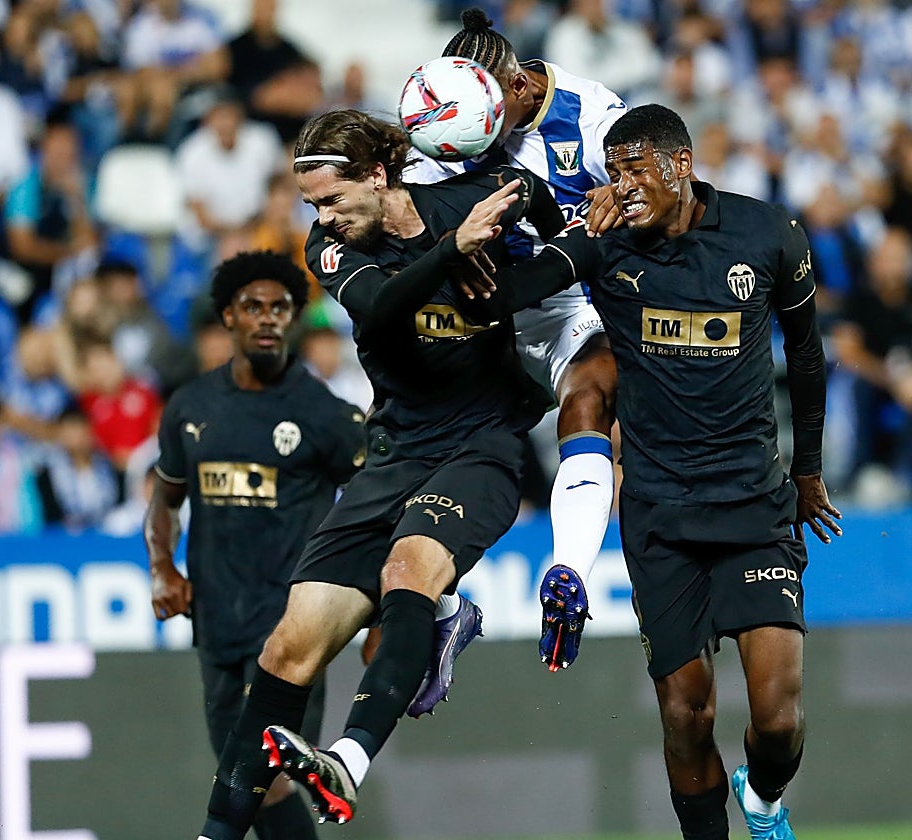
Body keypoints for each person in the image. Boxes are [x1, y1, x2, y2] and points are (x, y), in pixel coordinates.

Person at [446, 104, 842, 840]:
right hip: (659, 515)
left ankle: (762, 801)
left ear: (681, 164)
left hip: (755, 504)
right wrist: (570, 235)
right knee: (687, 714)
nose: (621, 185)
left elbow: (808, 356)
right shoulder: (604, 245)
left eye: (634, 169)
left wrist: (810, 471)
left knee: (778, 720)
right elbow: (503, 300)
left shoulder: (767, 234)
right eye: (613, 170)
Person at [194, 109, 561, 838]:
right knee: (286, 649)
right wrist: (455, 251)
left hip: (481, 448)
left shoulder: (459, 200)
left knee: (407, 571)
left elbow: (525, 188)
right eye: (312, 206)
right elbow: (383, 302)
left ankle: (349, 757)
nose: (322, 219)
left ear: (380, 174)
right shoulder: (330, 251)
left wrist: (549, 234)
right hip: (393, 453)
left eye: (333, 200)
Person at [408, 8, 628, 670]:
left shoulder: (591, 113)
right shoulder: (448, 124)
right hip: (483, 313)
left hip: (571, 304)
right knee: (406, 445)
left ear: (517, 88)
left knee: (590, 395)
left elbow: (657, 189)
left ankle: (569, 573)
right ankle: (445, 615)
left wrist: (625, 193)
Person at [147, 249, 367, 840]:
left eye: (280, 307)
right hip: (216, 622)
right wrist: (163, 567)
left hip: (292, 632)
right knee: (244, 784)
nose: (267, 318)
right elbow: (163, 500)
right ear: (228, 317)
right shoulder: (191, 408)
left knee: (265, 778)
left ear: (294, 318)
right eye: (253, 307)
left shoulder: (324, 415)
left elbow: (383, 505)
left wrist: (382, 616)